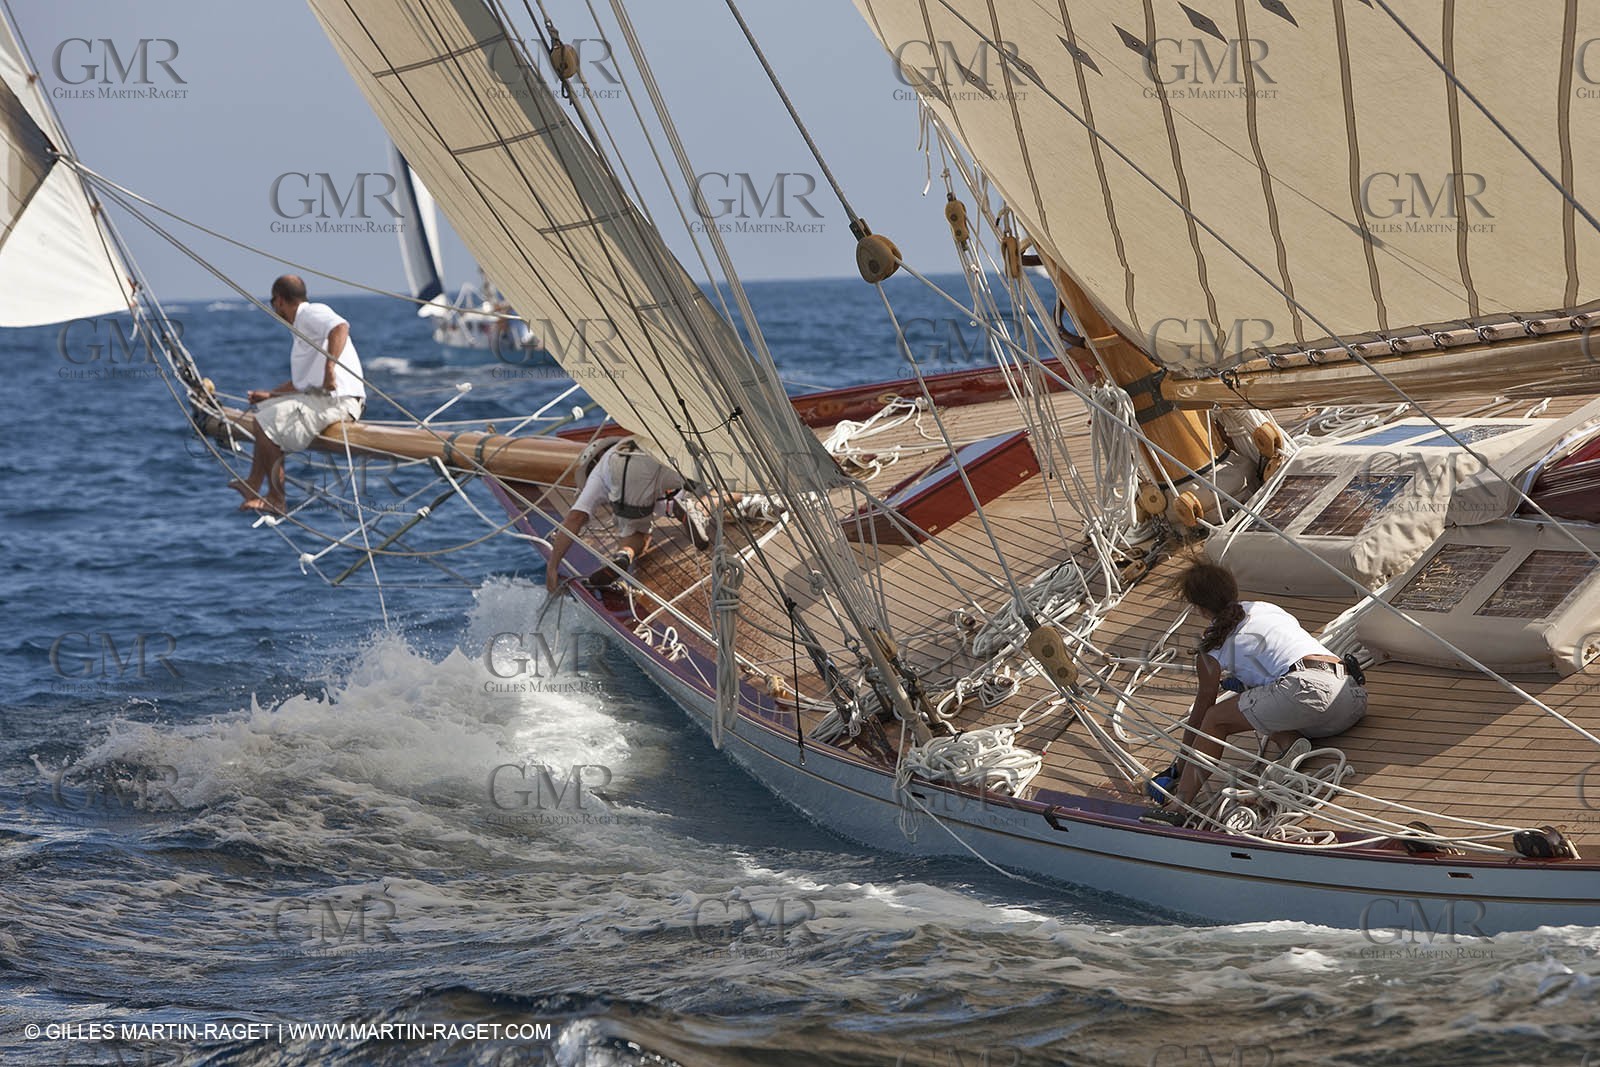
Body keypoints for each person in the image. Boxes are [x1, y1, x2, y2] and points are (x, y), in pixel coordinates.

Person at [1150, 556, 1367, 818]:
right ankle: (1291, 743)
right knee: (1253, 688)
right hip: (1351, 698)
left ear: (1201, 609)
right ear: (1233, 589)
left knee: (1215, 719)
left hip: (1308, 695)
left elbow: (1200, 718)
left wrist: (1178, 768)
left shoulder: (1210, 651)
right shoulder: (1266, 608)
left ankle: (1178, 806)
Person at [229, 275, 367, 515]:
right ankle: (253, 483)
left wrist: (330, 369)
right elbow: (304, 382)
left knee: (266, 421)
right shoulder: (303, 327)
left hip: (341, 401)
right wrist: (271, 395)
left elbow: (340, 327)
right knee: (263, 412)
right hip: (324, 399)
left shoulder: (310, 313)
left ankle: (275, 498)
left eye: (273, 303)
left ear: (280, 301)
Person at [544, 436, 714, 594]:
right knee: (725, 482)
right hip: (661, 450)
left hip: (628, 470)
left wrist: (552, 566)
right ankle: (700, 508)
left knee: (637, 532)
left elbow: (575, 518)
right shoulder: (628, 439)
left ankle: (624, 554)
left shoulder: (599, 471)